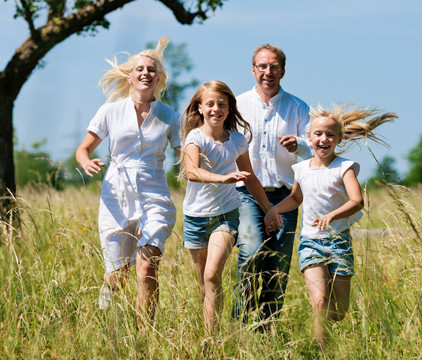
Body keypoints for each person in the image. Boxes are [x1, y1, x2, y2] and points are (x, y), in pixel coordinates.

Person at [264, 103, 397, 350]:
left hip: (338, 242)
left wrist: (332, 216)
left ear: (338, 139)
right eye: (318, 134)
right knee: (320, 302)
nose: (324, 139)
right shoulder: (300, 168)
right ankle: (324, 352)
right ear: (309, 137)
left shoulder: (344, 167)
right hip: (310, 242)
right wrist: (274, 209)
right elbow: (296, 198)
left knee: (339, 311)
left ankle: (331, 331)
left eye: (330, 135)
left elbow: (357, 201)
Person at [75, 36, 180, 327]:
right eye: (140, 69)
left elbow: (186, 155)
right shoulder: (110, 111)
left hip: (155, 196)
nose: (146, 73)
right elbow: (83, 149)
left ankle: (145, 336)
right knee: (117, 276)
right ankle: (106, 312)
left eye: (151, 70)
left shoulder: (170, 117)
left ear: (159, 78)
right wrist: (86, 162)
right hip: (115, 196)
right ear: (130, 76)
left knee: (147, 267)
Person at [179, 80, 279, 334]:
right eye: (210, 104)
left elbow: (251, 177)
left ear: (229, 108)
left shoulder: (236, 140)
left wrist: (268, 208)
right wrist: (222, 178)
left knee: (213, 275)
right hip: (195, 218)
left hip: (226, 216)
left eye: (221, 104)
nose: (215, 109)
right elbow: (191, 172)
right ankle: (209, 337)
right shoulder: (195, 137)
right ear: (200, 108)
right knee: (203, 284)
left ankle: (213, 341)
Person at [232, 44, 311, 323]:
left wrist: (299, 144)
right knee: (251, 253)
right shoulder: (238, 105)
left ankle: (268, 329)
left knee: (277, 265)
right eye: (262, 66)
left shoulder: (298, 107)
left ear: (283, 71)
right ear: (253, 70)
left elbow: (313, 148)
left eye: (274, 66)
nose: (268, 72)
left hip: (285, 197)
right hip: (246, 195)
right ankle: (238, 323)